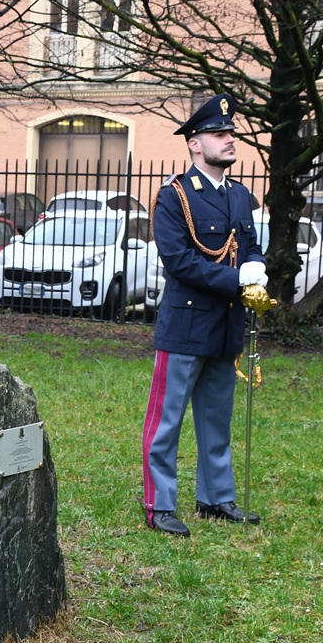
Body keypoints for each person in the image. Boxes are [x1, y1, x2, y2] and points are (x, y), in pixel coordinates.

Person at [141, 92, 268, 537]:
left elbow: (250, 245)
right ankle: (159, 504)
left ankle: (216, 497)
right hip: (186, 324)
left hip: (225, 324)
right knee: (166, 421)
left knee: (217, 419)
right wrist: (236, 278)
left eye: (231, 132)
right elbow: (178, 261)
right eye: (219, 133)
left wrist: (257, 266)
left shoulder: (240, 195)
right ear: (195, 144)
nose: (230, 139)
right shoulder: (174, 196)